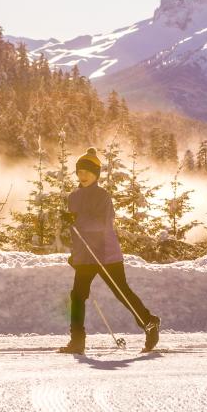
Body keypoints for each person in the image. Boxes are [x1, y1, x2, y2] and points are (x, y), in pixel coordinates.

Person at [60, 148, 161, 355]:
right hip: (85, 256)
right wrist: (74, 253)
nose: (83, 175)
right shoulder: (73, 197)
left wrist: (76, 219)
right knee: (77, 296)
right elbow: (75, 230)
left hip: (106, 254)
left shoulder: (103, 196)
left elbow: (102, 224)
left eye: (87, 172)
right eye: (79, 172)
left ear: (96, 174)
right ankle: (77, 341)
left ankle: (149, 322)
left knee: (121, 292)